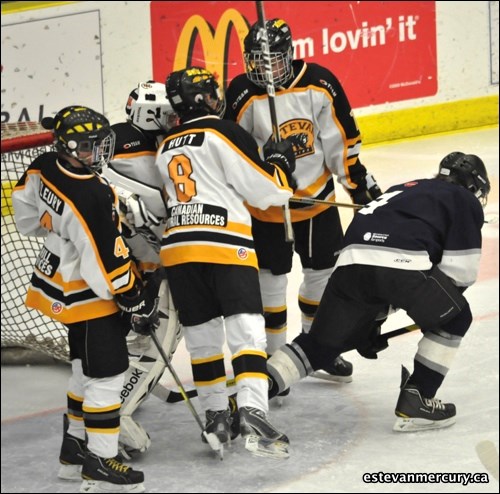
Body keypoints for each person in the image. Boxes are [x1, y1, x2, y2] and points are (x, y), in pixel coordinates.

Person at [265, 152, 491, 432]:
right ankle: (418, 397)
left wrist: (369, 320)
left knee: (320, 345)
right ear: (473, 186)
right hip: (399, 264)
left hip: (349, 264)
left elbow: (377, 260)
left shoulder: (404, 188)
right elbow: (459, 275)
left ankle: (254, 392)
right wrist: (433, 314)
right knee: (456, 316)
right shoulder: (463, 199)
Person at [224, 18, 383, 386]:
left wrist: (356, 185)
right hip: (266, 209)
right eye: (257, 61)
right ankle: (274, 357)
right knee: (271, 284)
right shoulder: (242, 92)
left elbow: (340, 142)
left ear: (291, 55)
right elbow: (229, 150)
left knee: (321, 279)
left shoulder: (320, 84)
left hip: (317, 203)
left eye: (273, 60)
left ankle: (315, 350)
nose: (265, 69)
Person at [11, 105, 160, 492]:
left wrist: (55, 228)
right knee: (108, 373)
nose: (99, 153)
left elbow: (25, 215)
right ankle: (100, 460)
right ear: (72, 147)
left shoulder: (44, 163)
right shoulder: (91, 193)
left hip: (57, 282)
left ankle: (73, 451)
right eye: (92, 147)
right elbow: (105, 265)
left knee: (82, 366)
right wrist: (133, 297)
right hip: (88, 294)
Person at [156, 66, 296, 457]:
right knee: (247, 331)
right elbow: (265, 190)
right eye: (212, 93)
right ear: (202, 98)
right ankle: (251, 410)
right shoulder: (224, 131)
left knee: (202, 340)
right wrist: (281, 166)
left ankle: (216, 416)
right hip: (224, 245)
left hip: (179, 251)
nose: (218, 99)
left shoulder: (166, 144)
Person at [101, 81, 183, 458]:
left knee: (151, 330)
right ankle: (115, 414)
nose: (172, 119)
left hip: (139, 260)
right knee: (161, 330)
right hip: (138, 265)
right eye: (166, 113)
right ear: (150, 113)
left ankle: (131, 388)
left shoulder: (154, 142)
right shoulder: (121, 142)